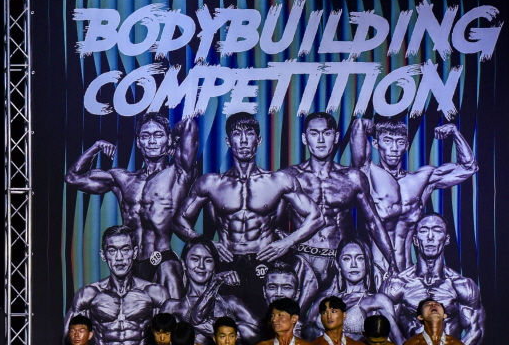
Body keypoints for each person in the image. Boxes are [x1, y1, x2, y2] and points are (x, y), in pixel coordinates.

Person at [175, 112, 323, 310]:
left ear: (259, 140)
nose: (244, 140)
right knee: (224, 319)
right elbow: (178, 221)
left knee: (268, 319)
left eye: (250, 133)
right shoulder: (211, 183)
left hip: (266, 260)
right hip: (227, 260)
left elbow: (316, 217)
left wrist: (287, 242)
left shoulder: (279, 181)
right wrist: (208, 244)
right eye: (237, 134)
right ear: (228, 141)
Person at [64, 114, 200, 297]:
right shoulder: (123, 179)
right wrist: (96, 147)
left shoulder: (178, 174)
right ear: (138, 142)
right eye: (145, 136)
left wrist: (173, 138)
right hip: (130, 264)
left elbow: (189, 125)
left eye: (158, 135)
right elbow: (72, 177)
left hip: (161, 259)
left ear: (167, 140)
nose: (151, 141)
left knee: (170, 309)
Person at [279, 112, 395, 288]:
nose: (320, 140)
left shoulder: (352, 178)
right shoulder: (289, 177)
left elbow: (373, 222)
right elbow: (267, 221)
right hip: (302, 260)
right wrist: (283, 239)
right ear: (304, 138)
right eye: (314, 133)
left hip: (342, 262)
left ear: (336, 137)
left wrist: (392, 263)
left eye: (326, 133)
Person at [350, 116, 477, 273]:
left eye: (400, 142)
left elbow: (469, 167)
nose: (394, 148)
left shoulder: (421, 180)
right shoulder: (367, 174)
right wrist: (366, 124)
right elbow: (358, 129)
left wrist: (454, 132)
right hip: (377, 271)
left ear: (407, 146)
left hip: (408, 272)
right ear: (376, 144)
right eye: (387, 141)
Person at [382, 214, 483, 345]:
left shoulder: (462, 286)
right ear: (415, 240)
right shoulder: (396, 285)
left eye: (437, 230)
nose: (430, 237)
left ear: (446, 239)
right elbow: (385, 330)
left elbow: (476, 332)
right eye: (424, 231)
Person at [303, 239, 403, 342]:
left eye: (360, 258)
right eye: (347, 259)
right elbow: (306, 331)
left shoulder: (378, 300)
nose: (353, 264)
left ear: (367, 263)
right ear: (338, 264)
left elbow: (397, 340)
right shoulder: (324, 300)